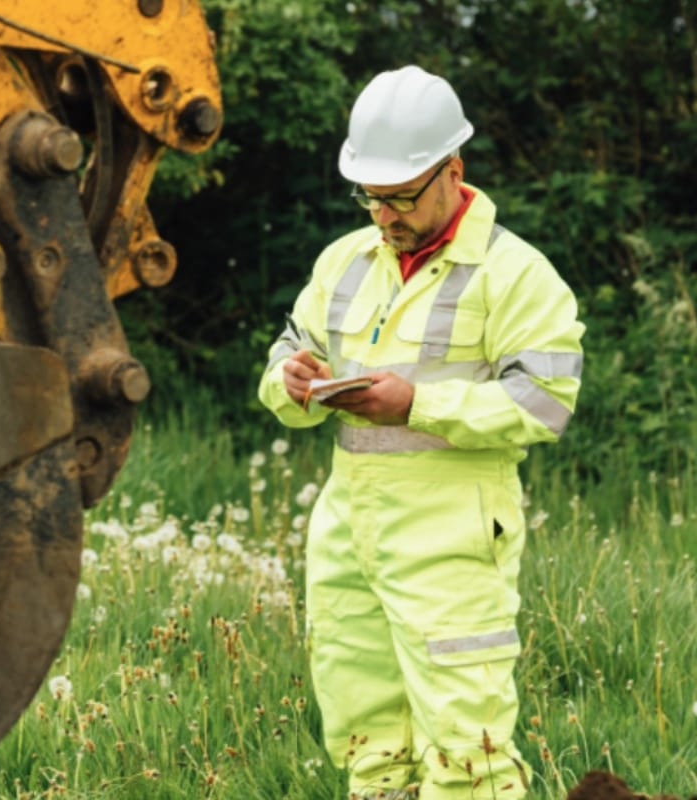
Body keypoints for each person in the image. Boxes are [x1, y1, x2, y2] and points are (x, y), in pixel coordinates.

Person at [257, 65, 584, 800]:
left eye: (400, 197)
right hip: (350, 533)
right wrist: (293, 384)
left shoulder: (516, 274)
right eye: (370, 197)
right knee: (367, 743)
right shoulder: (343, 262)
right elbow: (284, 353)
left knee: (470, 751)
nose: (384, 216)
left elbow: (546, 402)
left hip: (455, 539)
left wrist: (418, 406)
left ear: (453, 172)